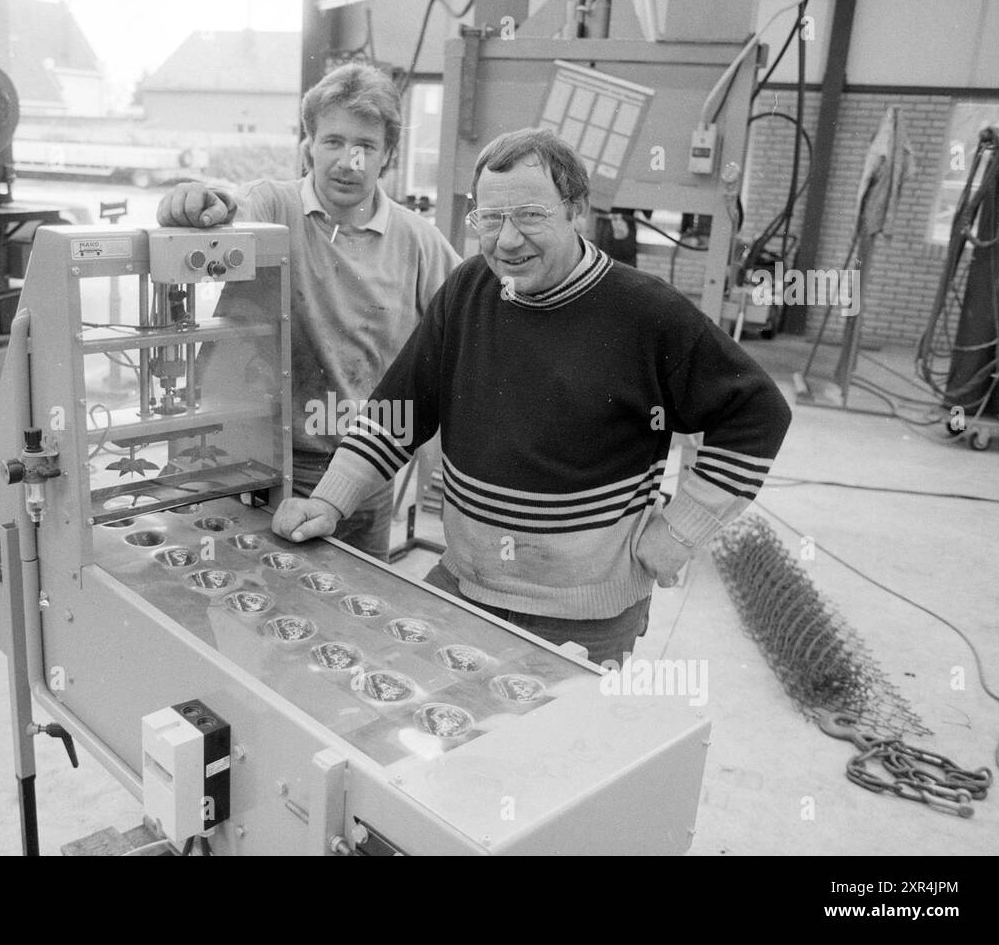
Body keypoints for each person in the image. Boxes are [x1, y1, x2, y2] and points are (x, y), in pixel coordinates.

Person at [271, 127, 792, 666]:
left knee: (552, 747)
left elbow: (757, 411)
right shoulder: (469, 288)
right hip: (468, 581)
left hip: (587, 612)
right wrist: (329, 501)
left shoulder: (645, 313)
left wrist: (680, 531)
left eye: (531, 215)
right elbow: (397, 411)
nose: (507, 240)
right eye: (490, 219)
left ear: (577, 211)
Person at [156, 64, 460, 561]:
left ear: (388, 155)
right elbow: (227, 212)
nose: (349, 161)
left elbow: (470, 323)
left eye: (366, 146)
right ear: (309, 144)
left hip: (362, 472)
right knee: (239, 600)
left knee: (354, 611)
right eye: (333, 141)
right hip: (251, 461)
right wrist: (195, 204)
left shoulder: (419, 243)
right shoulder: (274, 208)